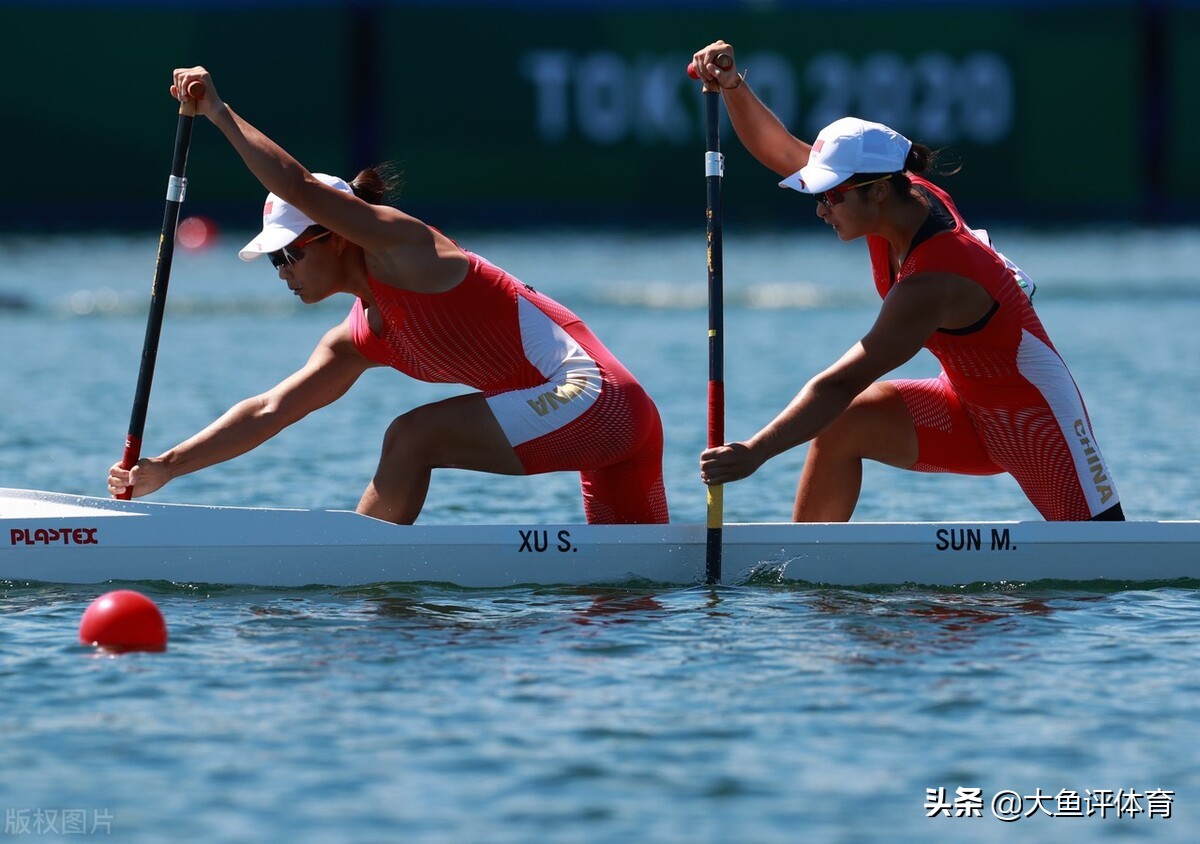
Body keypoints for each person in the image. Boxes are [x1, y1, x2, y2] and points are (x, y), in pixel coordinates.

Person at [107, 66, 669, 525]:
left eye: (288, 253)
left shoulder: (408, 250)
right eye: (275, 259)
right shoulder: (355, 341)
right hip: (612, 422)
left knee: (411, 436)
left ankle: (365, 583)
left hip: (594, 401)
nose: (282, 271)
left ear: (337, 236)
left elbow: (298, 186)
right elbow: (269, 410)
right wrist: (164, 468)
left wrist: (217, 112)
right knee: (629, 601)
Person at [691, 40, 1123, 522]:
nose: (819, 208)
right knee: (842, 425)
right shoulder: (896, 195)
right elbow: (783, 152)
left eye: (829, 196)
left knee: (1106, 579)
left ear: (876, 192)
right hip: (960, 405)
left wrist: (754, 452)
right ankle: (810, 582)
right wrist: (733, 85)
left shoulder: (932, 281)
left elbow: (838, 384)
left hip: (1037, 423)